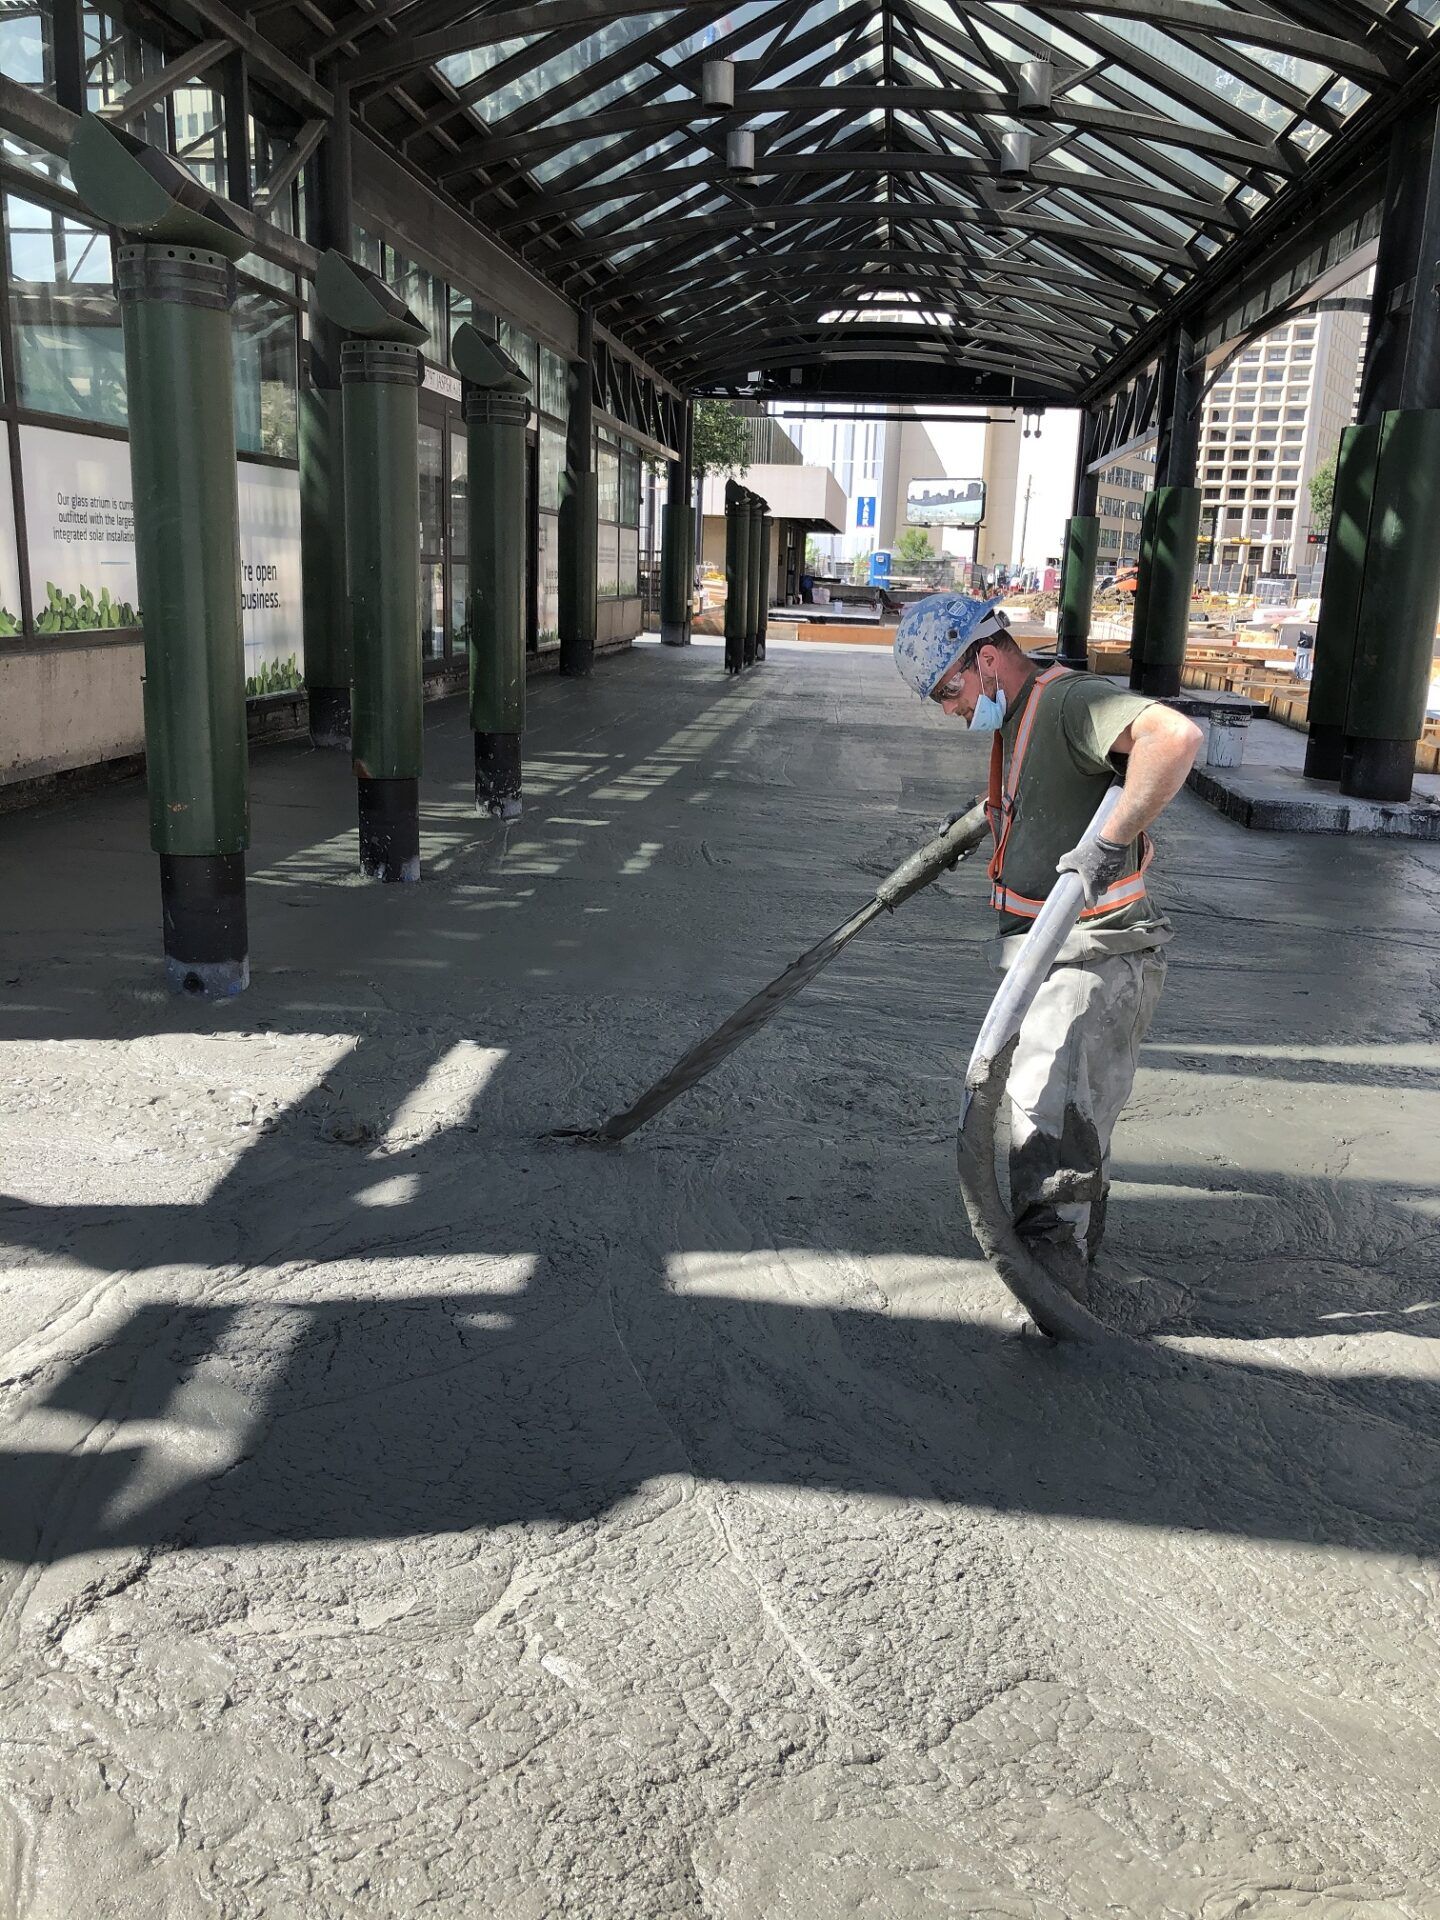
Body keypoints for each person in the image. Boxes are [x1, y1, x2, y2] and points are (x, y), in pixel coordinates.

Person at [894, 595, 1203, 1309]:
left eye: (949, 689)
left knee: (1052, 1114)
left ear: (988, 657)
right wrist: (983, 823)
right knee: (1055, 1111)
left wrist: (1106, 841)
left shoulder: (1071, 703)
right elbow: (1037, 796)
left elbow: (1173, 738)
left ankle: (1057, 1288)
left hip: (1097, 954)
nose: (948, 709)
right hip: (1051, 953)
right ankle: (1058, 1257)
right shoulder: (1020, 717)